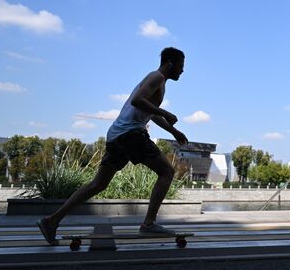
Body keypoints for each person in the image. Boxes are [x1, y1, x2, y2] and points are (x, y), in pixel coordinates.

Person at [37, 47, 189, 245]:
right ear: (170, 63)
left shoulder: (157, 81)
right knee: (167, 172)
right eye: (181, 66)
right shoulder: (157, 77)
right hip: (131, 134)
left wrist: (173, 131)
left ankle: (51, 220)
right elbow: (137, 101)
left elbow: (148, 111)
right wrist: (165, 112)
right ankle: (149, 224)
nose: (182, 71)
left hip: (116, 134)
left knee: (98, 184)